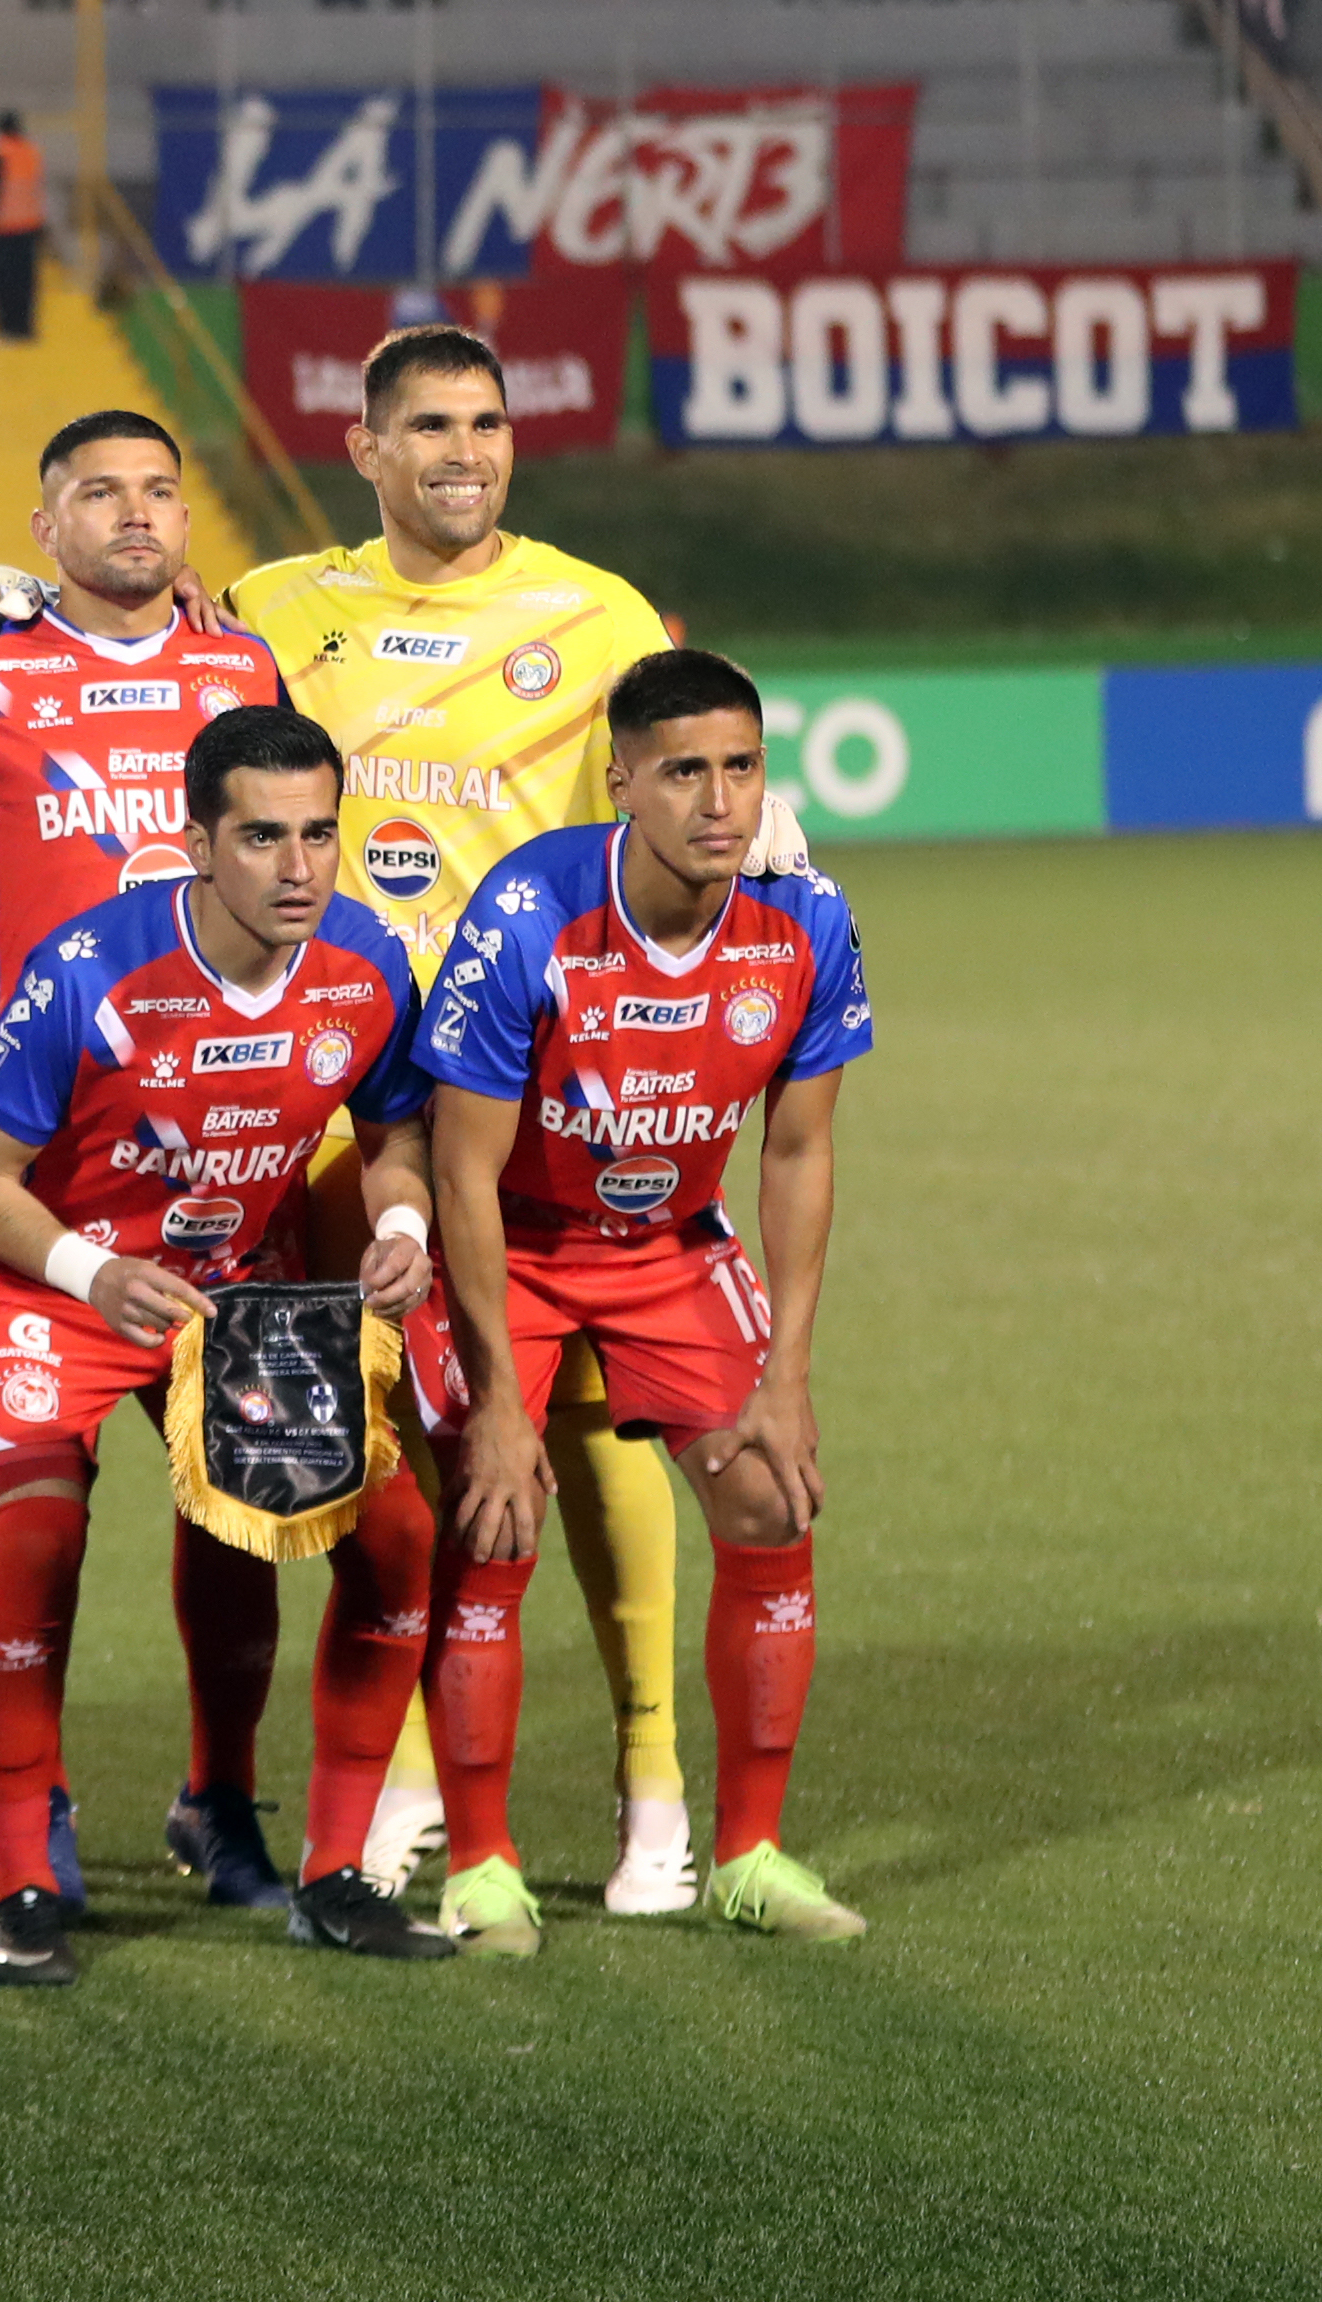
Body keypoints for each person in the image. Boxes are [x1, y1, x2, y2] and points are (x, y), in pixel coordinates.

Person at [0, 323, 809, 1915]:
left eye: (488, 420)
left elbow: (680, 754)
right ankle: (377, 1794)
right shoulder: (270, 612)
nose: (464, 452)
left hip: (534, 1097)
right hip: (296, 1118)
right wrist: (2, 585)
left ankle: (652, 1787)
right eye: (431, 425)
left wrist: (770, 830)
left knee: (575, 1429)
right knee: (367, 1457)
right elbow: (113, 634)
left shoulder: (590, 609)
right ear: (366, 447)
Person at [0, 408, 295, 1916]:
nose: (134, 515)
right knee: (33, 1527)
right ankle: (24, 1825)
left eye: (159, 491)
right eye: (96, 494)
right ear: (39, 528)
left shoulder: (246, 667)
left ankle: (220, 1801)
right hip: (35, 1183)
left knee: (242, 1511)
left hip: (229, 1177)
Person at [0, 705, 450, 1977]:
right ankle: (19, 1877)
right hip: (49, 1277)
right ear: (196, 843)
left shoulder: (367, 958)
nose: (298, 868)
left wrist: (397, 1219)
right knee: (38, 1535)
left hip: (230, 1292)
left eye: (320, 835)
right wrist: (92, 1270)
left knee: (388, 1533)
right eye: (263, 837)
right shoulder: (89, 970)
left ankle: (316, 1863)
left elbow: (395, 1131)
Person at [410, 647, 872, 1953]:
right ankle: (482, 1863)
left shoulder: (805, 921)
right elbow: (461, 1171)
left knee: (771, 1497)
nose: (717, 801)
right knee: (491, 1519)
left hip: (671, 1245)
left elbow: (795, 1151)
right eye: (682, 772)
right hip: (517, 1242)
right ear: (619, 780)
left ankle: (748, 1854)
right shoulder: (526, 914)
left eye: (739, 767)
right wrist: (501, 1399)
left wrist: (784, 1370)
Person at [0, 109, 45, 343]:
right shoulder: (31, 151)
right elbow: (37, 188)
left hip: (5, 224)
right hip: (29, 223)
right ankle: (26, 327)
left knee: (4, 280)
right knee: (26, 280)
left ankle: (7, 327)